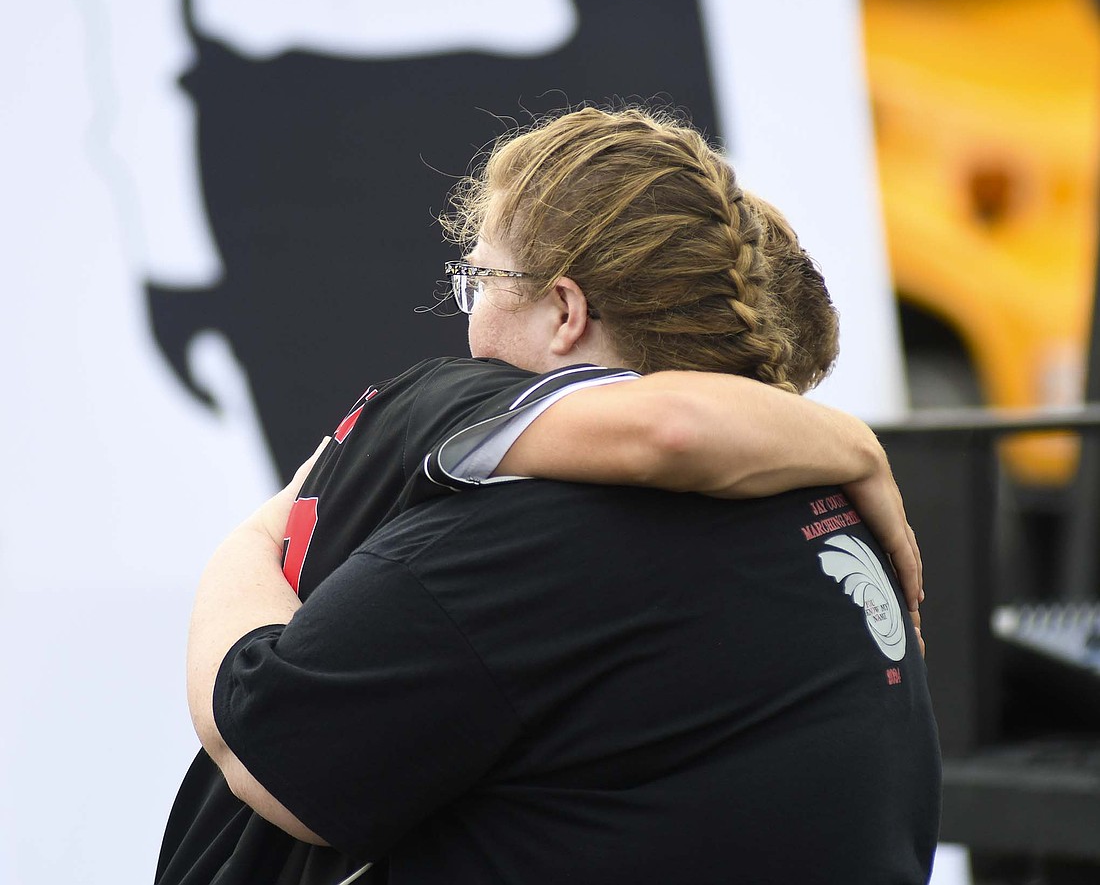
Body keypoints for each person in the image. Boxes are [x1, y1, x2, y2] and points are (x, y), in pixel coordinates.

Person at [168, 107, 937, 883]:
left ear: (566, 314)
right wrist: (856, 449)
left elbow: (270, 748)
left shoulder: (521, 536)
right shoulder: (826, 508)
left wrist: (256, 540)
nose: (466, 328)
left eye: (480, 280)